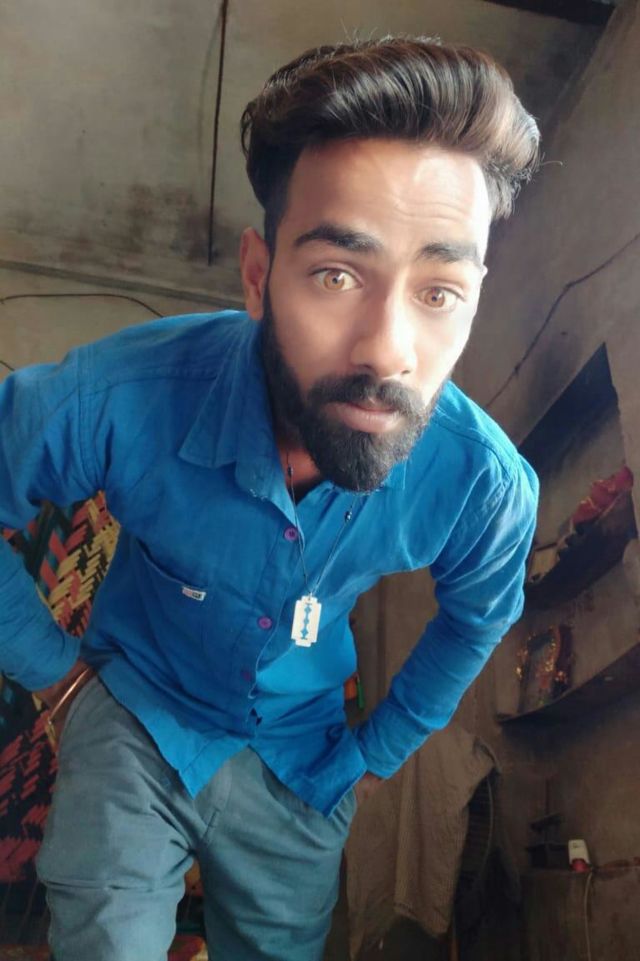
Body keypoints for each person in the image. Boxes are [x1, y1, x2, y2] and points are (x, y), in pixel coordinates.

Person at [0, 36, 540, 961]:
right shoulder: (116, 397)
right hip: (134, 713)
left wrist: (377, 752)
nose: (388, 350)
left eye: (440, 290)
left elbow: (479, 617)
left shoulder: (481, 486)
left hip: (303, 755)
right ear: (258, 276)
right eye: (337, 274)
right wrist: (55, 677)